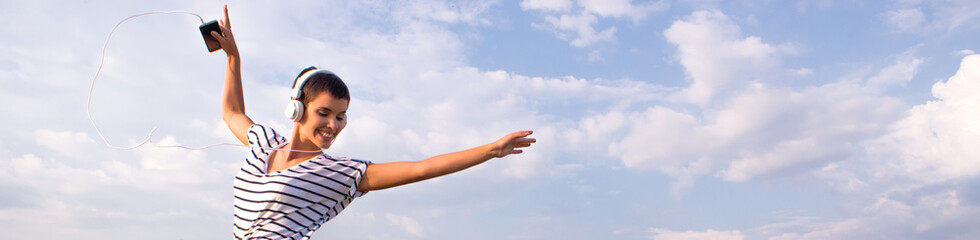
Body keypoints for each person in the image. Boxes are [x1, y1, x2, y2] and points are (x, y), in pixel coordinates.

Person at [209, 5, 536, 239]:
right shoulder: (264, 143)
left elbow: (421, 169)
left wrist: (492, 150)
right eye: (324, 113)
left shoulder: (340, 174)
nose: (333, 125)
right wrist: (233, 58)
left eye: (341, 117)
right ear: (297, 109)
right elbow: (232, 113)